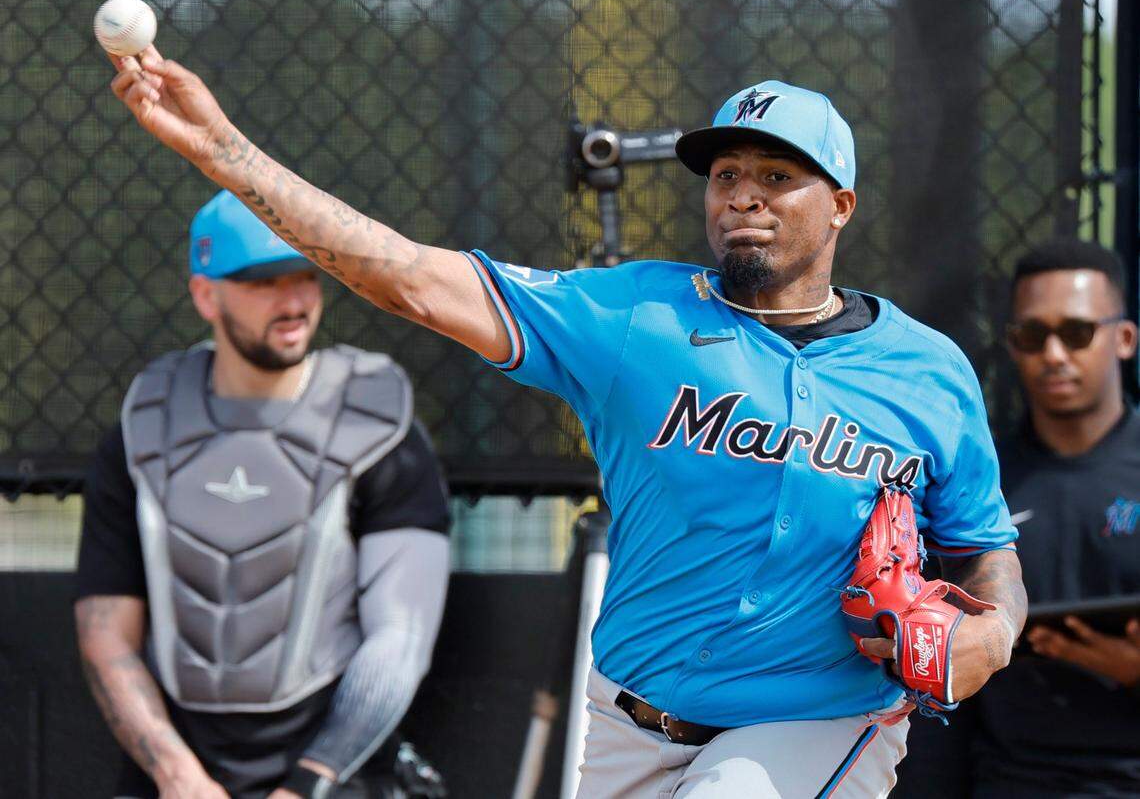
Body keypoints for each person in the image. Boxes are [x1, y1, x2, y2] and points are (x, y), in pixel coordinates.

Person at [106, 49, 1027, 797]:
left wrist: (997, 629)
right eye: (727, 174)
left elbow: (985, 547)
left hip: (820, 720)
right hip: (629, 715)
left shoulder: (929, 371)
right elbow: (411, 278)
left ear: (840, 206)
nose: (741, 193)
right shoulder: (636, 320)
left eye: (778, 175)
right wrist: (224, 150)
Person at [74, 190, 451, 799]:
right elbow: (105, 632)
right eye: (263, 282)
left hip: (332, 772)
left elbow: (401, 637)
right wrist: (177, 776)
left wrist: (308, 784)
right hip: (178, 773)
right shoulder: (146, 425)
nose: (295, 301)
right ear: (205, 294)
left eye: (307, 275)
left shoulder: (376, 425)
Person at [968, 239, 1140, 797]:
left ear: (1124, 338)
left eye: (1076, 332)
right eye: (1032, 335)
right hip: (1008, 777)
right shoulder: (976, 479)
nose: (1055, 354)